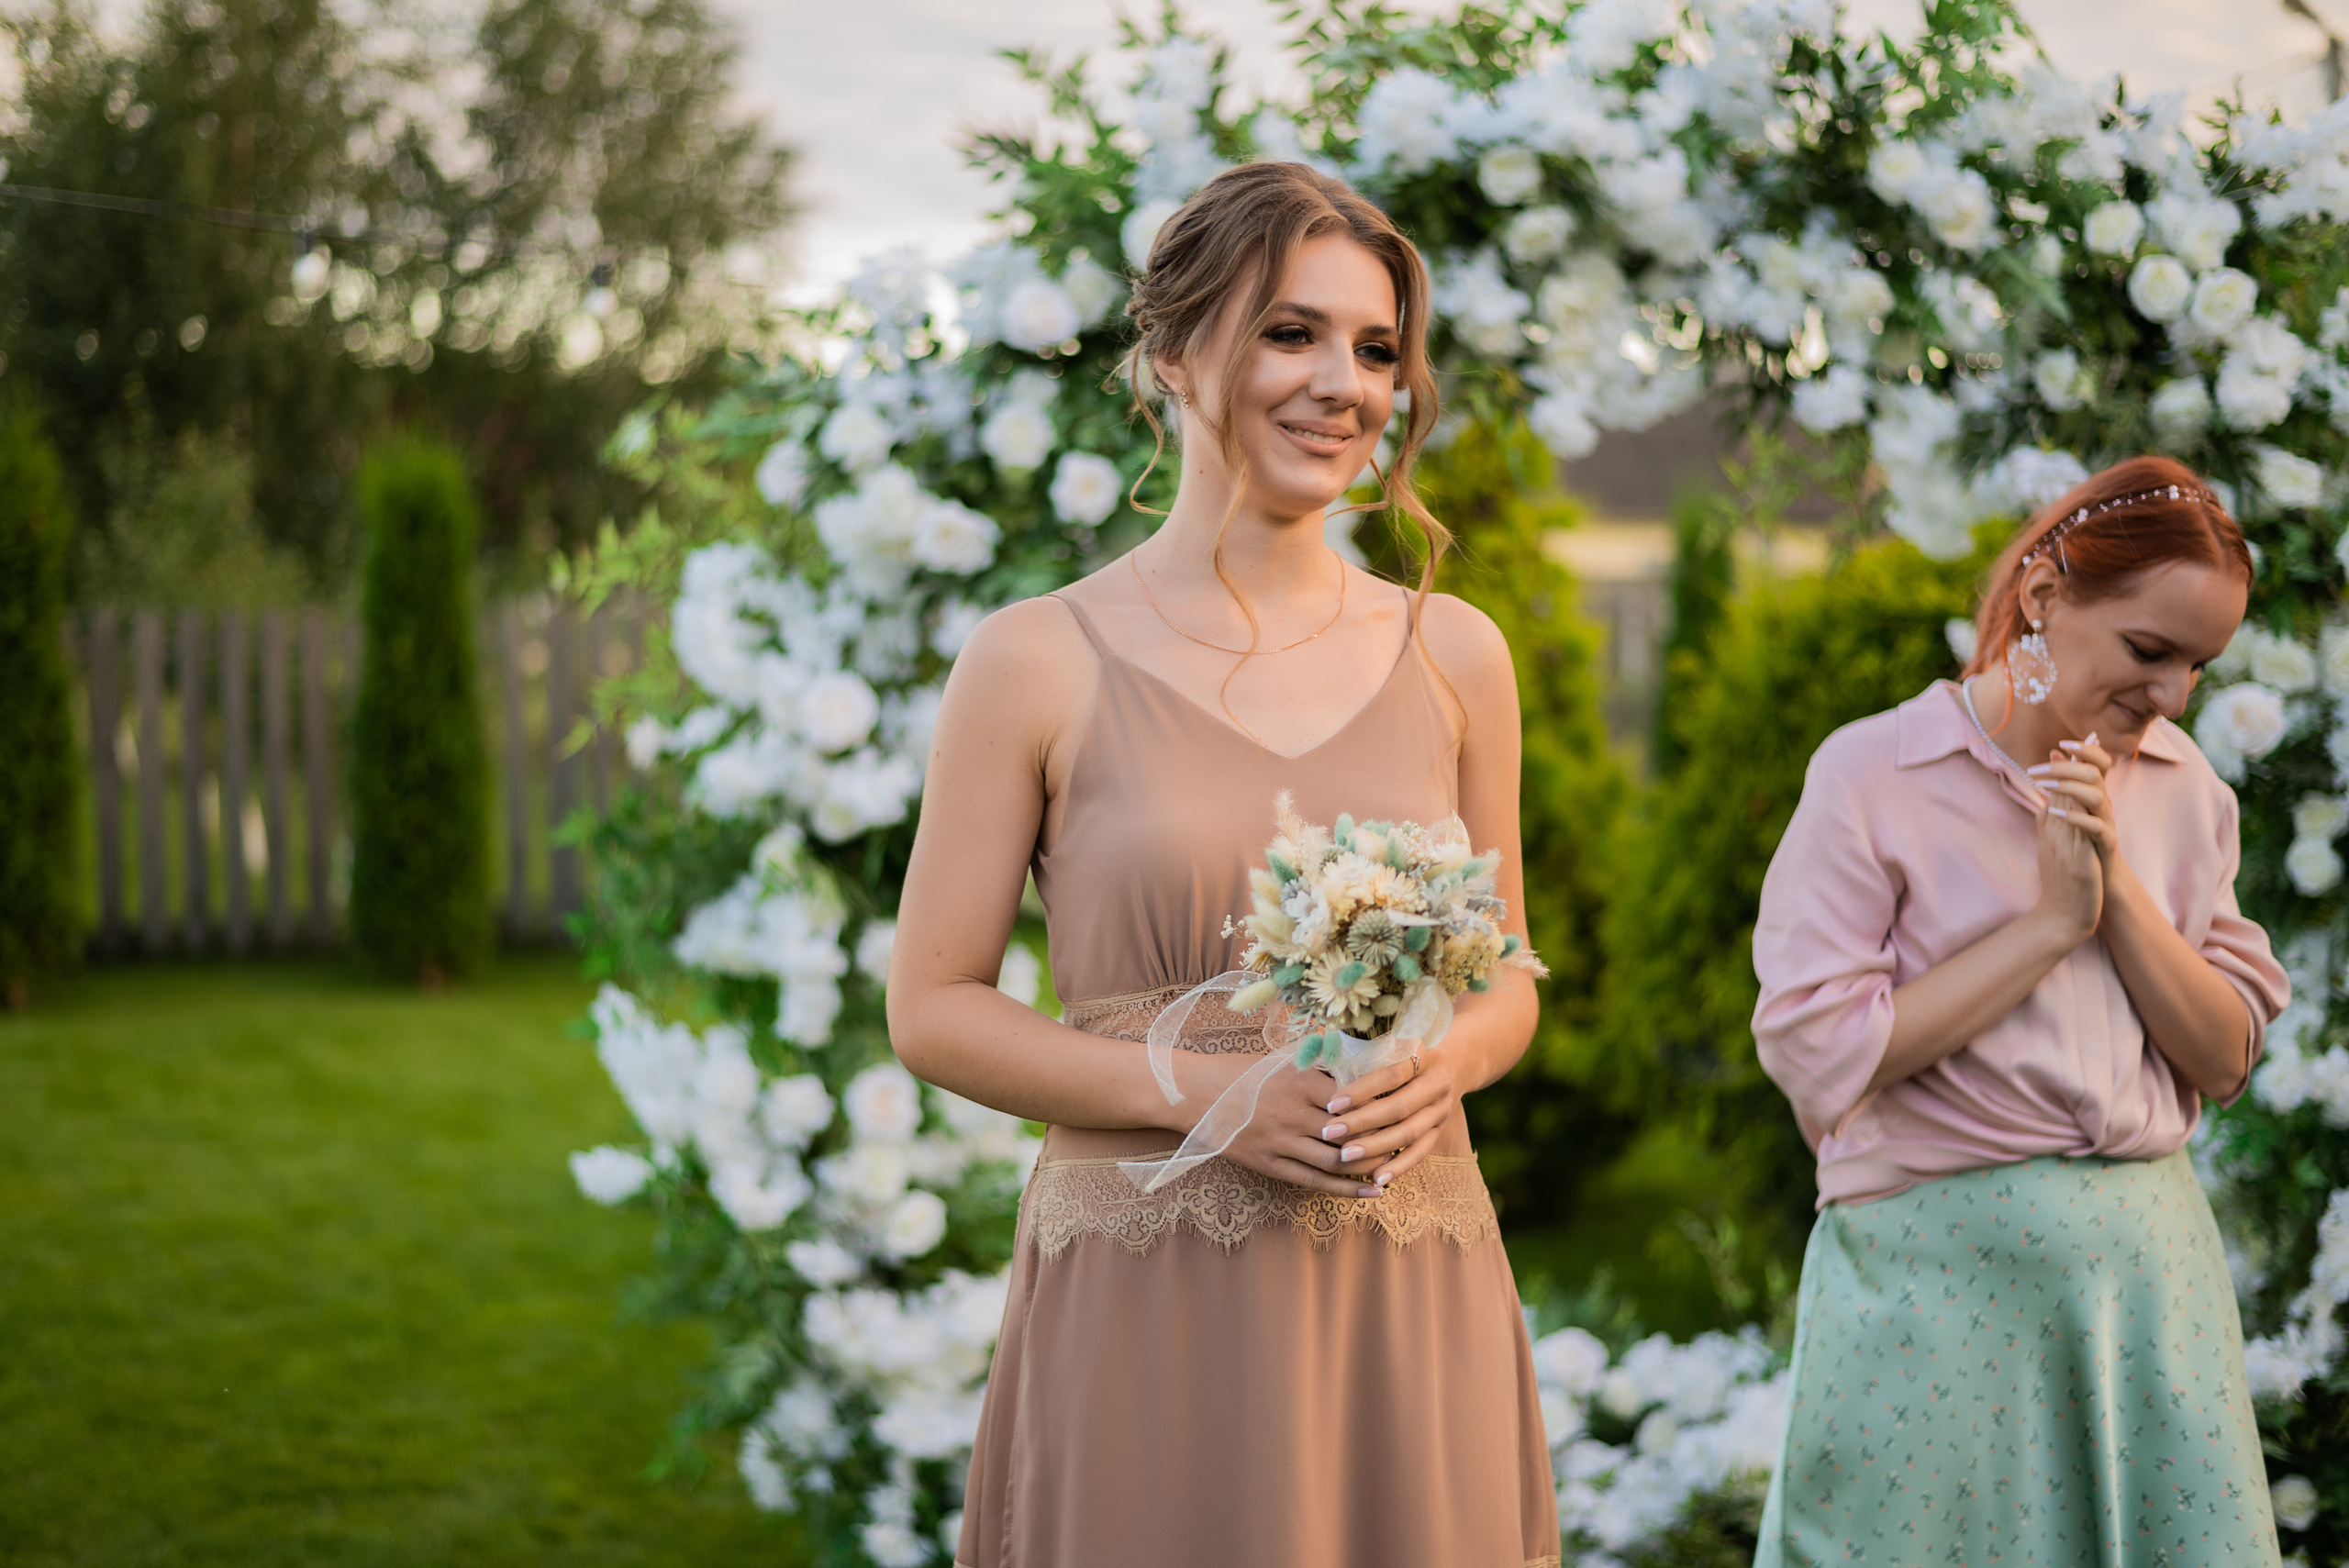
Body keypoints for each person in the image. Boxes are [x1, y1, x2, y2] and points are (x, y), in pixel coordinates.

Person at [887, 161, 1559, 1568]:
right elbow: (933, 1007)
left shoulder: (1457, 653)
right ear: (1177, 352)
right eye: (1290, 332)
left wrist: (1451, 1058)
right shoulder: (1034, 659)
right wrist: (1206, 1097)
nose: (1342, 384)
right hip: (1149, 1297)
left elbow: (1506, 979)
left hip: (1401, 1281)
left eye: (1375, 348)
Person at [1749, 455, 2290, 1567]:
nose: (2172, 695)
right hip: (1930, 1295)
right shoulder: (1873, 772)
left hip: (2148, 1299)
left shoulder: (2187, 787)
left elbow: (2224, 1053)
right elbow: (1816, 1049)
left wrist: (2113, 885)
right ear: (2044, 596)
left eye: (2199, 665)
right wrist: (2047, 923)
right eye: (2148, 649)